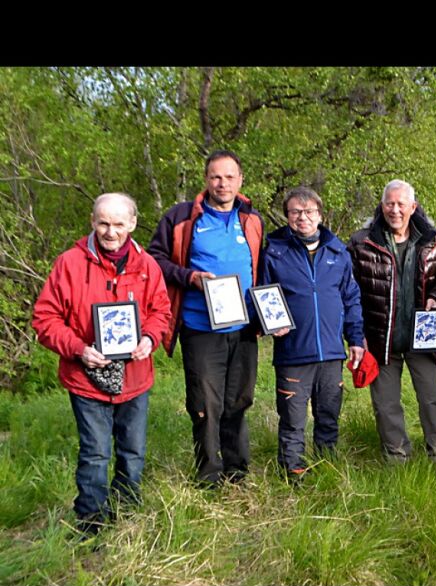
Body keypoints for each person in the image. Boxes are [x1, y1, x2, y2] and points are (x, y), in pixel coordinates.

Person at [33, 193, 172, 535]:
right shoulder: (69, 263)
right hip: (85, 378)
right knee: (95, 454)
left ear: (133, 224)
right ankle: (91, 523)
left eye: (119, 224)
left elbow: (161, 312)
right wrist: (78, 349)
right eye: (103, 223)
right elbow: (45, 318)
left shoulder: (147, 266)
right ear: (93, 222)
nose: (111, 232)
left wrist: (150, 339)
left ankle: (126, 515)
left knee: (133, 451)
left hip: (135, 379)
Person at [148, 150, 263, 485]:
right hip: (200, 326)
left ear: (240, 180)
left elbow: (260, 267)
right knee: (204, 403)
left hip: (242, 326)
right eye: (215, 176)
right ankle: (208, 474)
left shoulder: (251, 219)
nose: (222, 183)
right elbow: (155, 259)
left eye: (229, 177)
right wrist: (189, 277)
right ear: (206, 180)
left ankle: (237, 470)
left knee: (238, 400)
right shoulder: (182, 218)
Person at [348, 180, 436, 469]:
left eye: (401, 204)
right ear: (381, 205)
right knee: (385, 405)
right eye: (389, 203)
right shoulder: (361, 243)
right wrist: (357, 336)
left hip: (423, 337)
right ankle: (397, 459)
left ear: (413, 207)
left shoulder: (434, 241)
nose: (395, 210)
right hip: (381, 338)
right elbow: (349, 290)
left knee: (433, 398)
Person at [260, 187, 364, 480]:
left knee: (328, 414)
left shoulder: (338, 251)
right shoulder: (274, 251)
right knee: (293, 418)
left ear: (320, 215)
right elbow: (261, 295)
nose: (302, 218)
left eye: (309, 212)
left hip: (331, 352)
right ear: (287, 215)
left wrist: (355, 338)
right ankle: (293, 473)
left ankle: (326, 466)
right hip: (293, 352)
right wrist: (267, 323)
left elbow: (351, 298)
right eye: (295, 212)